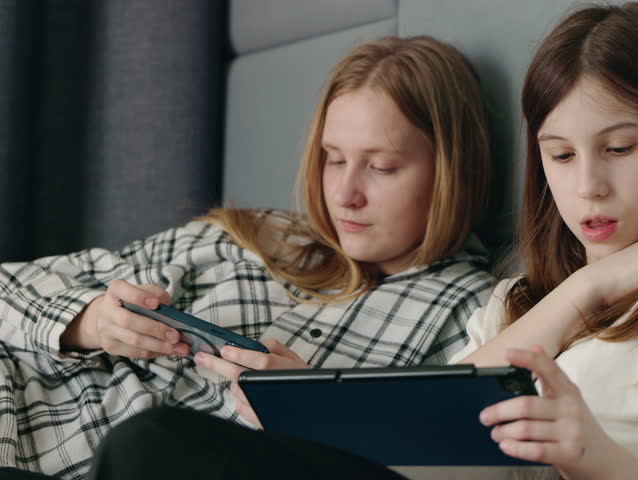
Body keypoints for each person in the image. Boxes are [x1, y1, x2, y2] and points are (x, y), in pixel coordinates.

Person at [48, 3, 638, 479]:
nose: (589, 187)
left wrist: (593, 458)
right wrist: (303, 407)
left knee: (152, 449)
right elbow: (440, 450)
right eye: (561, 155)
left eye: (621, 149)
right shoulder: (518, 301)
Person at [0, 35, 494, 479]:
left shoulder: (473, 315)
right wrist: (87, 322)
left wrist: (320, 409)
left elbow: (446, 456)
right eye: (334, 159)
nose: (345, 194)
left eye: (382, 167)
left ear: (451, 170)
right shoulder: (254, 237)